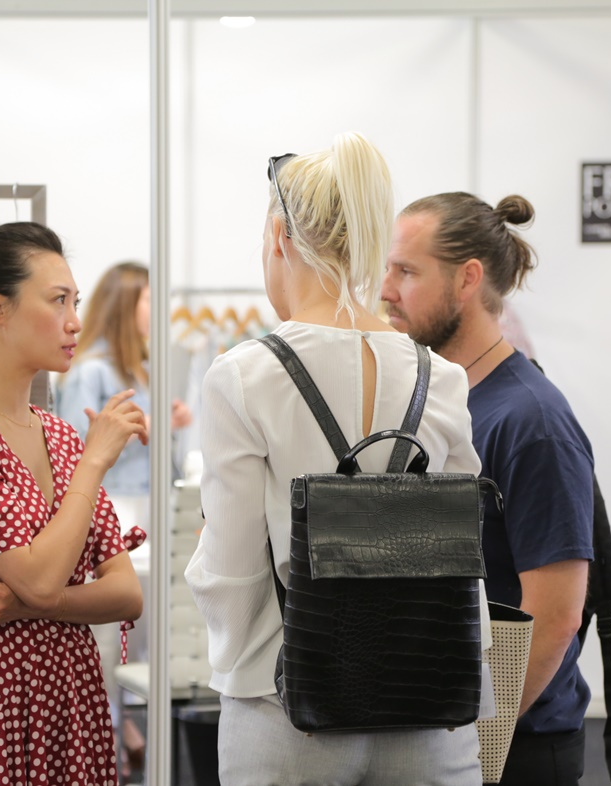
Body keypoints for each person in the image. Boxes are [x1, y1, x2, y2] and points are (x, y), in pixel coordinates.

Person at [184, 133, 483, 786]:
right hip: (429, 706)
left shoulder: (244, 376)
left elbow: (232, 574)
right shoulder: (441, 376)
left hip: (286, 707)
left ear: (279, 237)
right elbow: (462, 558)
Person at [0, 223, 146, 785]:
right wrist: (94, 462)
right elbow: (38, 577)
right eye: (58, 300)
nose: (75, 322)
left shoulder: (59, 435)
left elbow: (126, 593)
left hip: (72, 699)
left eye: (75, 302)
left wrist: (32, 605)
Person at [381, 192, 595, 786]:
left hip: (512, 748)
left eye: (406, 271)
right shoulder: (440, 401)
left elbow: (556, 615)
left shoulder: (532, 421)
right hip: (447, 732)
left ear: (467, 279)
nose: (387, 290)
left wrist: (479, 745)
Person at [57, 259, 192, 534]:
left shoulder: (140, 368)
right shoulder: (90, 371)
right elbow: (76, 446)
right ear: (124, 305)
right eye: (149, 300)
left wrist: (170, 419)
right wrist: (153, 423)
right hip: (115, 499)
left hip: (150, 494)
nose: (159, 309)